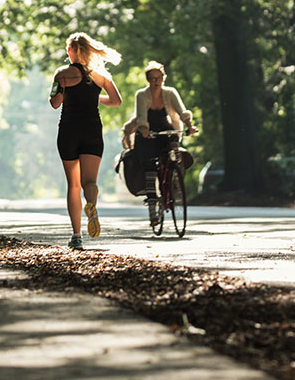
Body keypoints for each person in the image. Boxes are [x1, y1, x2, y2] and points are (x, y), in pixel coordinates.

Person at [49, 32, 122, 249]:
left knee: (73, 185)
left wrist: (63, 89)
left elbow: (55, 103)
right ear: (88, 51)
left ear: (70, 51)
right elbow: (116, 101)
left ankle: (77, 235)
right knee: (89, 182)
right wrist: (93, 96)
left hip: (69, 131)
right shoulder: (100, 75)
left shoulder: (62, 74)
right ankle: (91, 205)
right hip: (91, 130)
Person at [132, 61, 196, 225]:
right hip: (148, 132)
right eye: (152, 79)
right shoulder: (141, 95)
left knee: (174, 148)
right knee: (150, 169)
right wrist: (144, 129)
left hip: (165, 129)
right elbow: (140, 117)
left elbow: (182, 111)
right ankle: (153, 210)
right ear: (147, 79)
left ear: (163, 78)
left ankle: (175, 179)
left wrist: (189, 126)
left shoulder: (170, 93)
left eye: (159, 78)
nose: (156, 82)